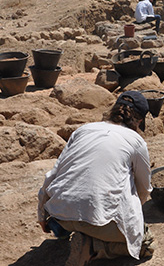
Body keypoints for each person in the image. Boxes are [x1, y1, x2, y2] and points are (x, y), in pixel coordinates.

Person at [37, 91, 155, 265]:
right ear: (139, 121)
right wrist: (133, 215)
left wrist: (42, 214)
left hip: (61, 215)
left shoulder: (83, 130)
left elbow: (53, 175)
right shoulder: (136, 142)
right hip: (100, 222)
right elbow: (144, 189)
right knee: (145, 242)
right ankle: (94, 247)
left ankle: (67, 231)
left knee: (75, 208)